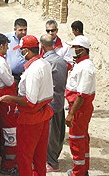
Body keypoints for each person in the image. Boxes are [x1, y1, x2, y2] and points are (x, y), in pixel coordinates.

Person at [0, 35, 53, 176]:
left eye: (22, 51)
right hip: (43, 115)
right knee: (40, 156)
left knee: (24, 157)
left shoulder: (33, 70)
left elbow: (30, 101)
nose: (21, 54)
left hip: (30, 119)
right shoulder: (44, 63)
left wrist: (11, 98)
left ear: (27, 51)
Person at [65, 36, 96, 176]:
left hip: (79, 109)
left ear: (82, 50)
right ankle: (83, 170)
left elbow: (81, 95)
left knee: (76, 140)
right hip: (80, 108)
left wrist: (71, 114)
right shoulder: (81, 64)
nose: (72, 50)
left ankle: (78, 173)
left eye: (75, 48)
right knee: (82, 138)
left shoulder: (85, 68)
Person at [40, 34, 68, 173]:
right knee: (57, 132)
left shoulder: (47, 62)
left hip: (50, 103)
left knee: (51, 134)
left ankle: (52, 162)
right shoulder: (61, 60)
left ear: (42, 46)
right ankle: (52, 159)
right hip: (59, 101)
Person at [0, 33, 18, 174]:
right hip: (6, 103)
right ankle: (9, 165)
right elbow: (9, 81)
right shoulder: (0, 62)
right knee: (10, 134)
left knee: (3, 132)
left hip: (1, 101)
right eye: (6, 46)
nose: (7, 48)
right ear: (1, 46)